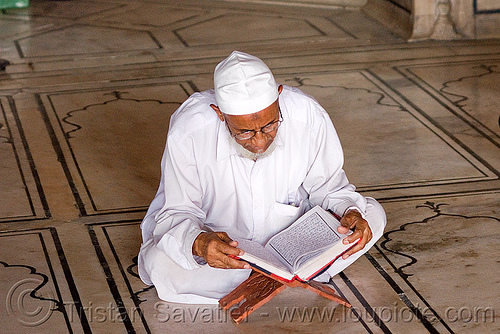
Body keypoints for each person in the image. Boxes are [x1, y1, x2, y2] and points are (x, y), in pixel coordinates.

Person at [138, 51, 386, 304]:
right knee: (160, 263)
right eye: (244, 132)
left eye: (269, 125)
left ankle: (276, 277)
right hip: (226, 248)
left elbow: (330, 188)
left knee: (372, 216)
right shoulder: (189, 131)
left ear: (279, 96)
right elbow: (177, 211)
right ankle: (291, 278)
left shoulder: (307, 114)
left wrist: (350, 211)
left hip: (294, 240)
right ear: (220, 114)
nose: (259, 141)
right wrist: (201, 243)